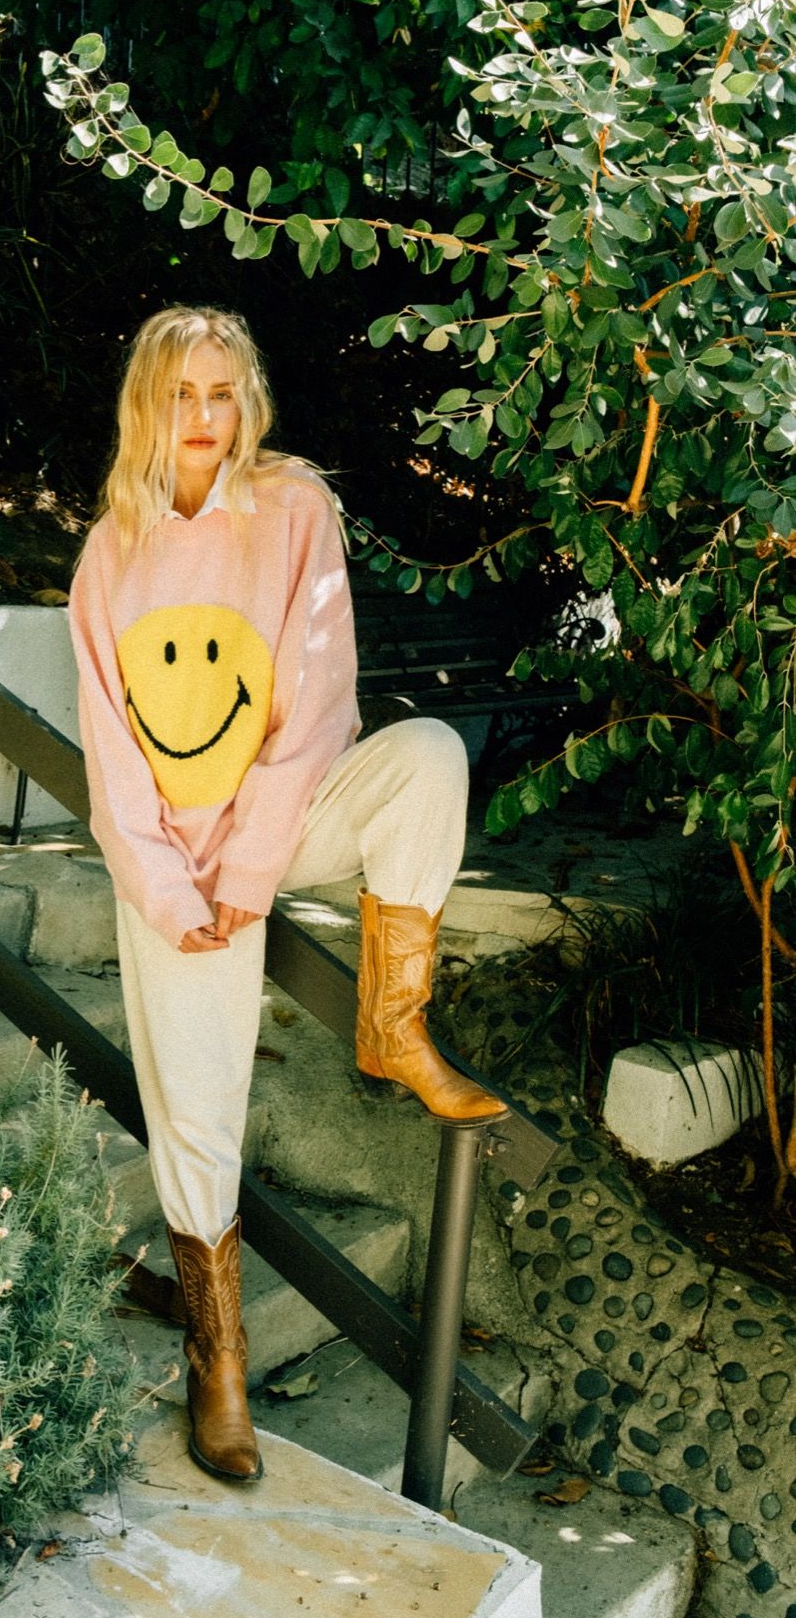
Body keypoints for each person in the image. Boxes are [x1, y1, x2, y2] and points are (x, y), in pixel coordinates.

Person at [68, 304, 506, 1487]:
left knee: (427, 758)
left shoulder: (293, 507)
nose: (202, 415)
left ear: (246, 400)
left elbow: (315, 706)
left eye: (221, 392)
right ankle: (217, 1357)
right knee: (197, 1107)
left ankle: (392, 1022)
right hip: (173, 864)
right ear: (147, 403)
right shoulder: (109, 552)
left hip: (282, 824)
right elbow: (113, 760)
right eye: (180, 392)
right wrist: (174, 891)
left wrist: (250, 870)